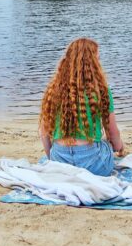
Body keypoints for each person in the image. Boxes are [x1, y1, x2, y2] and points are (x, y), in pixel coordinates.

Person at [39, 38, 124, 177]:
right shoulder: (101, 90)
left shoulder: (53, 89)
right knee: (106, 145)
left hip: (60, 160)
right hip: (93, 164)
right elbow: (113, 133)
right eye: (98, 59)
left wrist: (51, 159)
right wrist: (119, 147)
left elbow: (44, 132)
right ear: (93, 64)